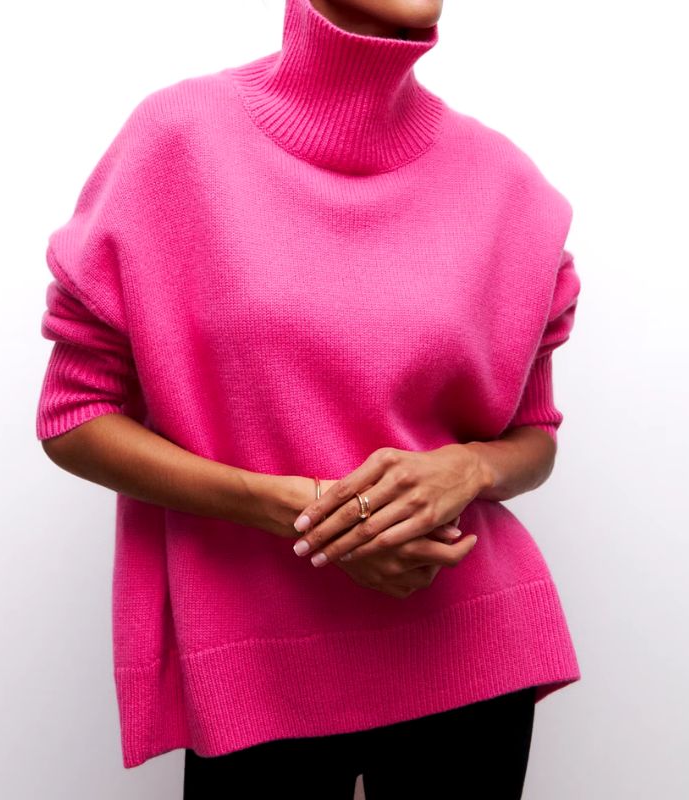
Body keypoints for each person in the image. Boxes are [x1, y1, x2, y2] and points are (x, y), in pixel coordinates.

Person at [35, 0, 582, 796]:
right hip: (258, 661)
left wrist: (469, 470)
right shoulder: (179, 140)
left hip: (469, 647)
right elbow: (73, 417)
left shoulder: (507, 184)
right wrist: (299, 511)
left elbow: (534, 438)